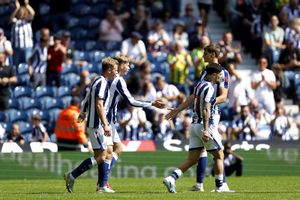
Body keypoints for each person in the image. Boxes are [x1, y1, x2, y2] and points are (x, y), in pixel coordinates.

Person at [165, 44, 231, 192]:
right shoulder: (205, 73)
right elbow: (195, 96)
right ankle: (214, 185)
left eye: (205, 53)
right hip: (206, 117)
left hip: (210, 114)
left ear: (214, 54)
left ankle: (196, 183)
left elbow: (224, 96)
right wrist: (178, 109)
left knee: (202, 153)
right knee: (214, 152)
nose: (202, 56)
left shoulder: (223, 73)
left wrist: (208, 102)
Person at [95, 55, 165, 192]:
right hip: (106, 120)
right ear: (120, 65)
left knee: (117, 149)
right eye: (127, 65)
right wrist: (152, 103)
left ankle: (103, 182)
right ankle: (96, 182)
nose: (128, 68)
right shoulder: (118, 80)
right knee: (104, 154)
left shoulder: (109, 79)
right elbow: (131, 101)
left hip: (109, 119)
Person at [64, 57, 118, 193]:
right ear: (110, 70)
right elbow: (99, 104)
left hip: (95, 123)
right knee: (101, 156)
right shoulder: (103, 83)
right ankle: (72, 175)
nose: (116, 73)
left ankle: (101, 186)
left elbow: (87, 98)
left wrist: (82, 112)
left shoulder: (97, 80)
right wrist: (105, 124)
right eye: (115, 70)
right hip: (96, 125)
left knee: (106, 154)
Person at [10, 0, 35, 67]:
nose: (21, 14)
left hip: (27, 47)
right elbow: (11, 18)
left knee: (28, 64)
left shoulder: (28, 21)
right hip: (16, 47)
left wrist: (27, 5)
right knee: (16, 65)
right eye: (20, 12)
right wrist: (17, 8)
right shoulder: (15, 21)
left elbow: (32, 13)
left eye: (22, 12)